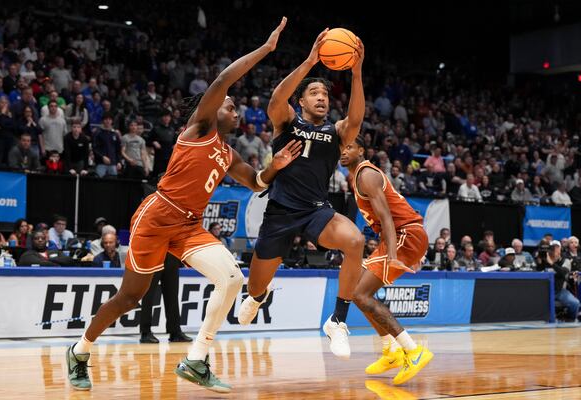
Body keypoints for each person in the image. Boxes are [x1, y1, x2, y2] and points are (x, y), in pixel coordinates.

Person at [65, 18, 300, 393]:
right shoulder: (199, 129)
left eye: (236, 107)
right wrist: (266, 50)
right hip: (158, 215)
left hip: (188, 225)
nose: (235, 109)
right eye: (230, 106)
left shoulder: (228, 154)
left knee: (232, 278)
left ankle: (196, 359)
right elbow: (222, 80)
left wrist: (276, 166)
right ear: (212, 110)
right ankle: (79, 351)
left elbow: (256, 182)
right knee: (130, 297)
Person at [238, 28, 366, 359]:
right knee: (254, 287)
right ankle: (257, 296)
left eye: (325, 93)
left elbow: (356, 118)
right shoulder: (287, 122)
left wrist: (356, 72)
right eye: (314, 92)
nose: (322, 97)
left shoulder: (336, 132)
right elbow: (276, 100)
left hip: (316, 211)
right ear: (303, 100)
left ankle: (337, 321)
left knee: (355, 242)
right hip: (280, 210)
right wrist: (310, 61)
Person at [338, 136, 433, 384]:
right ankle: (390, 350)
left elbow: (388, 218)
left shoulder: (366, 174)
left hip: (405, 234)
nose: (343, 152)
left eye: (349, 147)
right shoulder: (356, 176)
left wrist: (393, 255)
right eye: (340, 148)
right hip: (405, 236)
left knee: (360, 294)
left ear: (361, 150)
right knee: (356, 290)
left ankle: (413, 350)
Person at [139, 253, 193, 344]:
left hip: (171, 254)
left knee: (172, 294)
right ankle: (145, 332)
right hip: (153, 254)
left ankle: (175, 332)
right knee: (148, 295)